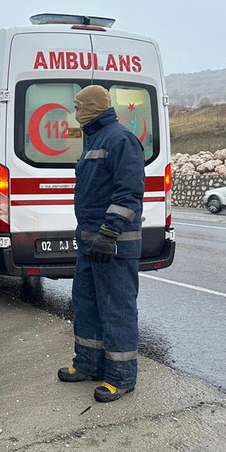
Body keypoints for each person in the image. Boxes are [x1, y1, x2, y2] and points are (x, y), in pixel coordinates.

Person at [57, 85, 145, 403]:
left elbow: (129, 193)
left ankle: (121, 378)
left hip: (114, 244)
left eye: (79, 106)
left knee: (116, 309)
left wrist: (110, 233)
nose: (76, 111)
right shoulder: (95, 139)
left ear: (93, 107)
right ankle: (89, 364)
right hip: (90, 243)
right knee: (86, 304)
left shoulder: (119, 139)